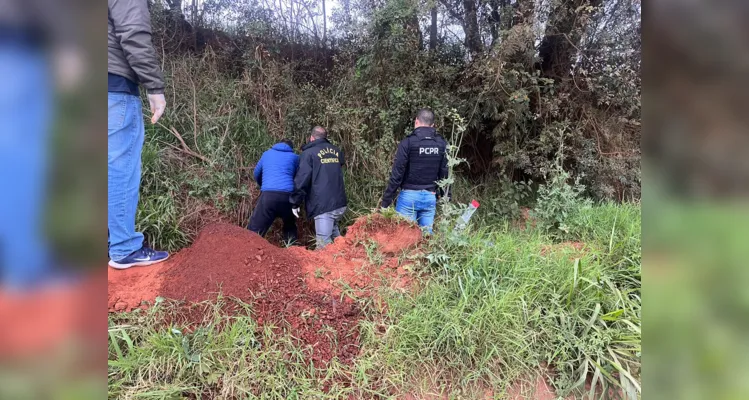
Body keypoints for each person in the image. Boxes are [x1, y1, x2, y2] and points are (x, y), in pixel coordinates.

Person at [108, 0, 169, 269]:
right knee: (120, 166)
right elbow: (132, 32)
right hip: (113, 84)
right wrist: (154, 87)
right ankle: (123, 247)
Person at [380, 109, 449, 234]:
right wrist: (445, 197)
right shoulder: (441, 144)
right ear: (433, 125)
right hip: (430, 196)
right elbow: (445, 173)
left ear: (416, 121)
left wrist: (386, 200)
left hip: (408, 197)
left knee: (405, 238)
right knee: (427, 238)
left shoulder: (407, 142)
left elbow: (397, 174)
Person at [290, 127, 347, 249]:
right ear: (325, 137)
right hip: (339, 203)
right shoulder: (336, 151)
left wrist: (295, 203)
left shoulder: (308, 154)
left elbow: (302, 180)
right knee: (336, 240)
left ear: (311, 138)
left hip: (323, 205)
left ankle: (327, 267)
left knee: (323, 246)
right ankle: (347, 259)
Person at [248, 139, 300, 244]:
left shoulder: (267, 154)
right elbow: (299, 178)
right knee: (289, 225)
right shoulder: (295, 157)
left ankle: (249, 250)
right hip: (288, 197)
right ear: (291, 148)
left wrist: (263, 185)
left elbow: (256, 173)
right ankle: (291, 251)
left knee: (255, 229)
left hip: (268, 196)